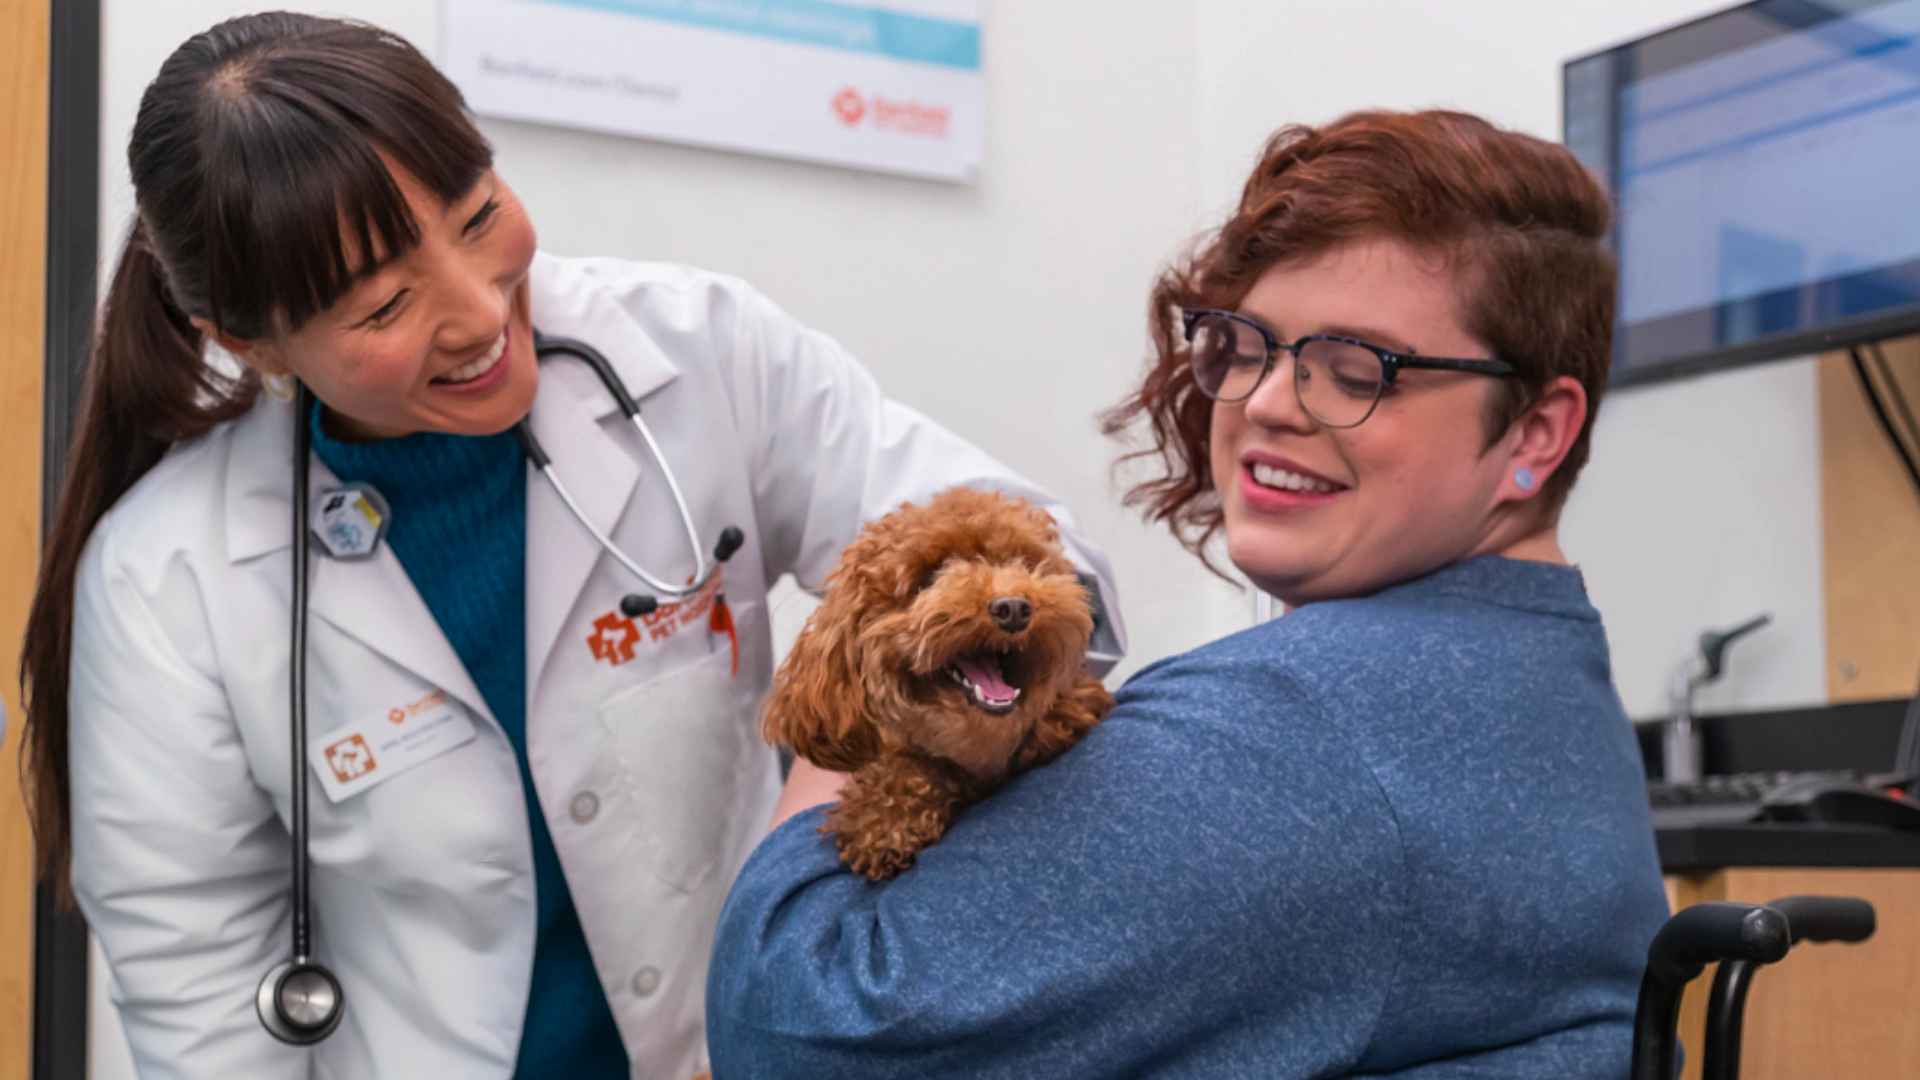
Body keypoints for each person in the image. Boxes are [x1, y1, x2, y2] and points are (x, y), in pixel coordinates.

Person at [16, 13, 1125, 1079]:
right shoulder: (169, 576)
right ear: (250, 344)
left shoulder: (701, 354)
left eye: (476, 212)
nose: (476, 311)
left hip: (742, 1047)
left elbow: (1048, 564)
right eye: (384, 304)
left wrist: (824, 791)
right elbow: (200, 1001)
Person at [706, 109, 1669, 1078]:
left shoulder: (1288, 732)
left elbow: (799, 1027)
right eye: (1247, 346)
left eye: (1356, 369)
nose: (1265, 403)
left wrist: (873, 701)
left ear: (1536, 435)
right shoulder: (1539, 681)